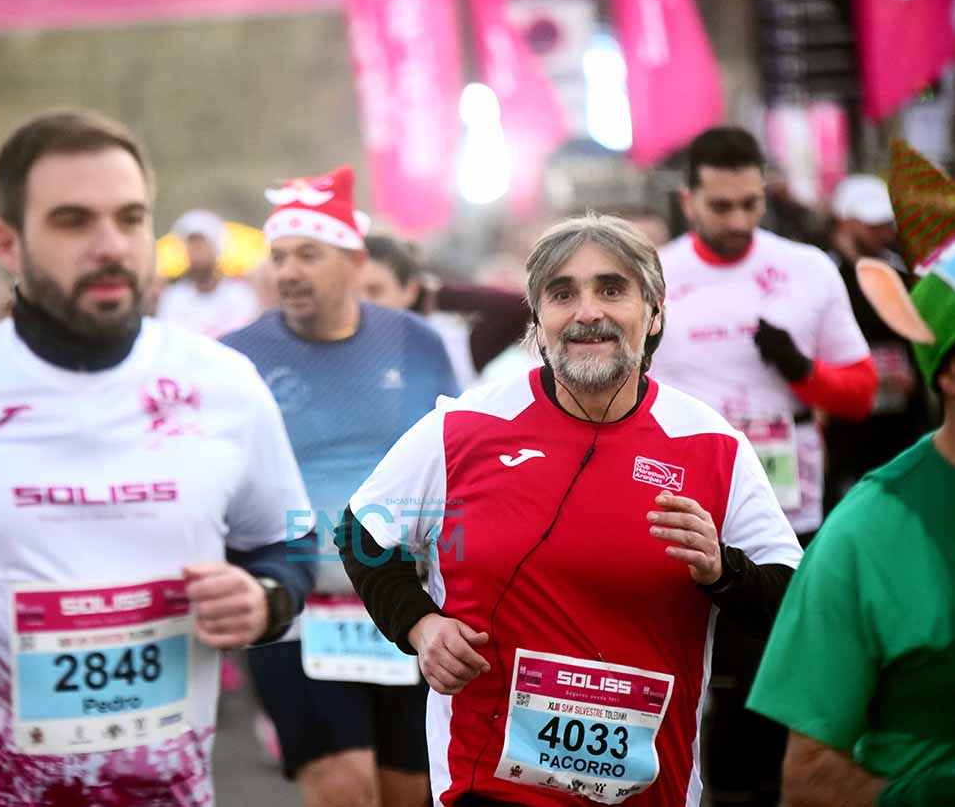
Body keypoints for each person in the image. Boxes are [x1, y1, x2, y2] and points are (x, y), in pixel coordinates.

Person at [0, 108, 315, 806]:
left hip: (163, 791)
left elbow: (288, 539)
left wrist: (265, 596)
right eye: (73, 221)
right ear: (8, 244)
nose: (110, 245)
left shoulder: (223, 385)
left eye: (130, 218)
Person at [337, 213, 802, 807]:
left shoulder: (711, 445)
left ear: (654, 312)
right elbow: (360, 531)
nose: (587, 312)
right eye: (562, 294)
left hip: (650, 789)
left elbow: (794, 600)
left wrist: (722, 571)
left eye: (612, 289)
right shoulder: (464, 427)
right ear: (537, 320)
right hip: (487, 782)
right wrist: (420, 625)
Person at [650, 127, 876, 807]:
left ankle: (761, 789)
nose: (738, 221)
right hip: (684, 506)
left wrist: (801, 371)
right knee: (691, 673)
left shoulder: (807, 268)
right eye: (721, 206)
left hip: (787, 505)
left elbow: (861, 393)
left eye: (751, 204)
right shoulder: (654, 274)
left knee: (774, 674)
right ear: (688, 201)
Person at [222, 166, 458, 807]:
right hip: (297, 608)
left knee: (410, 794)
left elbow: (454, 460)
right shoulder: (235, 358)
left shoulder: (416, 343)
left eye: (308, 254)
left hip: (403, 605)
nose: (289, 272)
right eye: (279, 257)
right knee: (345, 790)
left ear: (354, 260)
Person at [748, 139, 955, 806]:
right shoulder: (866, 536)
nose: (879, 232)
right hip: (850, 468)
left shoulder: (895, 274)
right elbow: (808, 780)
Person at [822, 174, 932, 510]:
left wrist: (918, 375)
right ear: (845, 221)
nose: (884, 233)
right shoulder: (823, 273)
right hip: (847, 432)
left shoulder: (902, 271)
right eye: (873, 225)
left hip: (900, 427)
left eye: (886, 224)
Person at [358, 234, 532, 390]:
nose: (362, 302)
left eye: (375, 291)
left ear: (410, 290)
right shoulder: (344, 348)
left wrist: (438, 294)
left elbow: (521, 307)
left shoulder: (446, 347)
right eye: (352, 291)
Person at [157, 209, 260, 338]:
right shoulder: (173, 297)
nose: (195, 252)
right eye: (191, 245)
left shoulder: (240, 295)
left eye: (201, 245)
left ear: (216, 247)